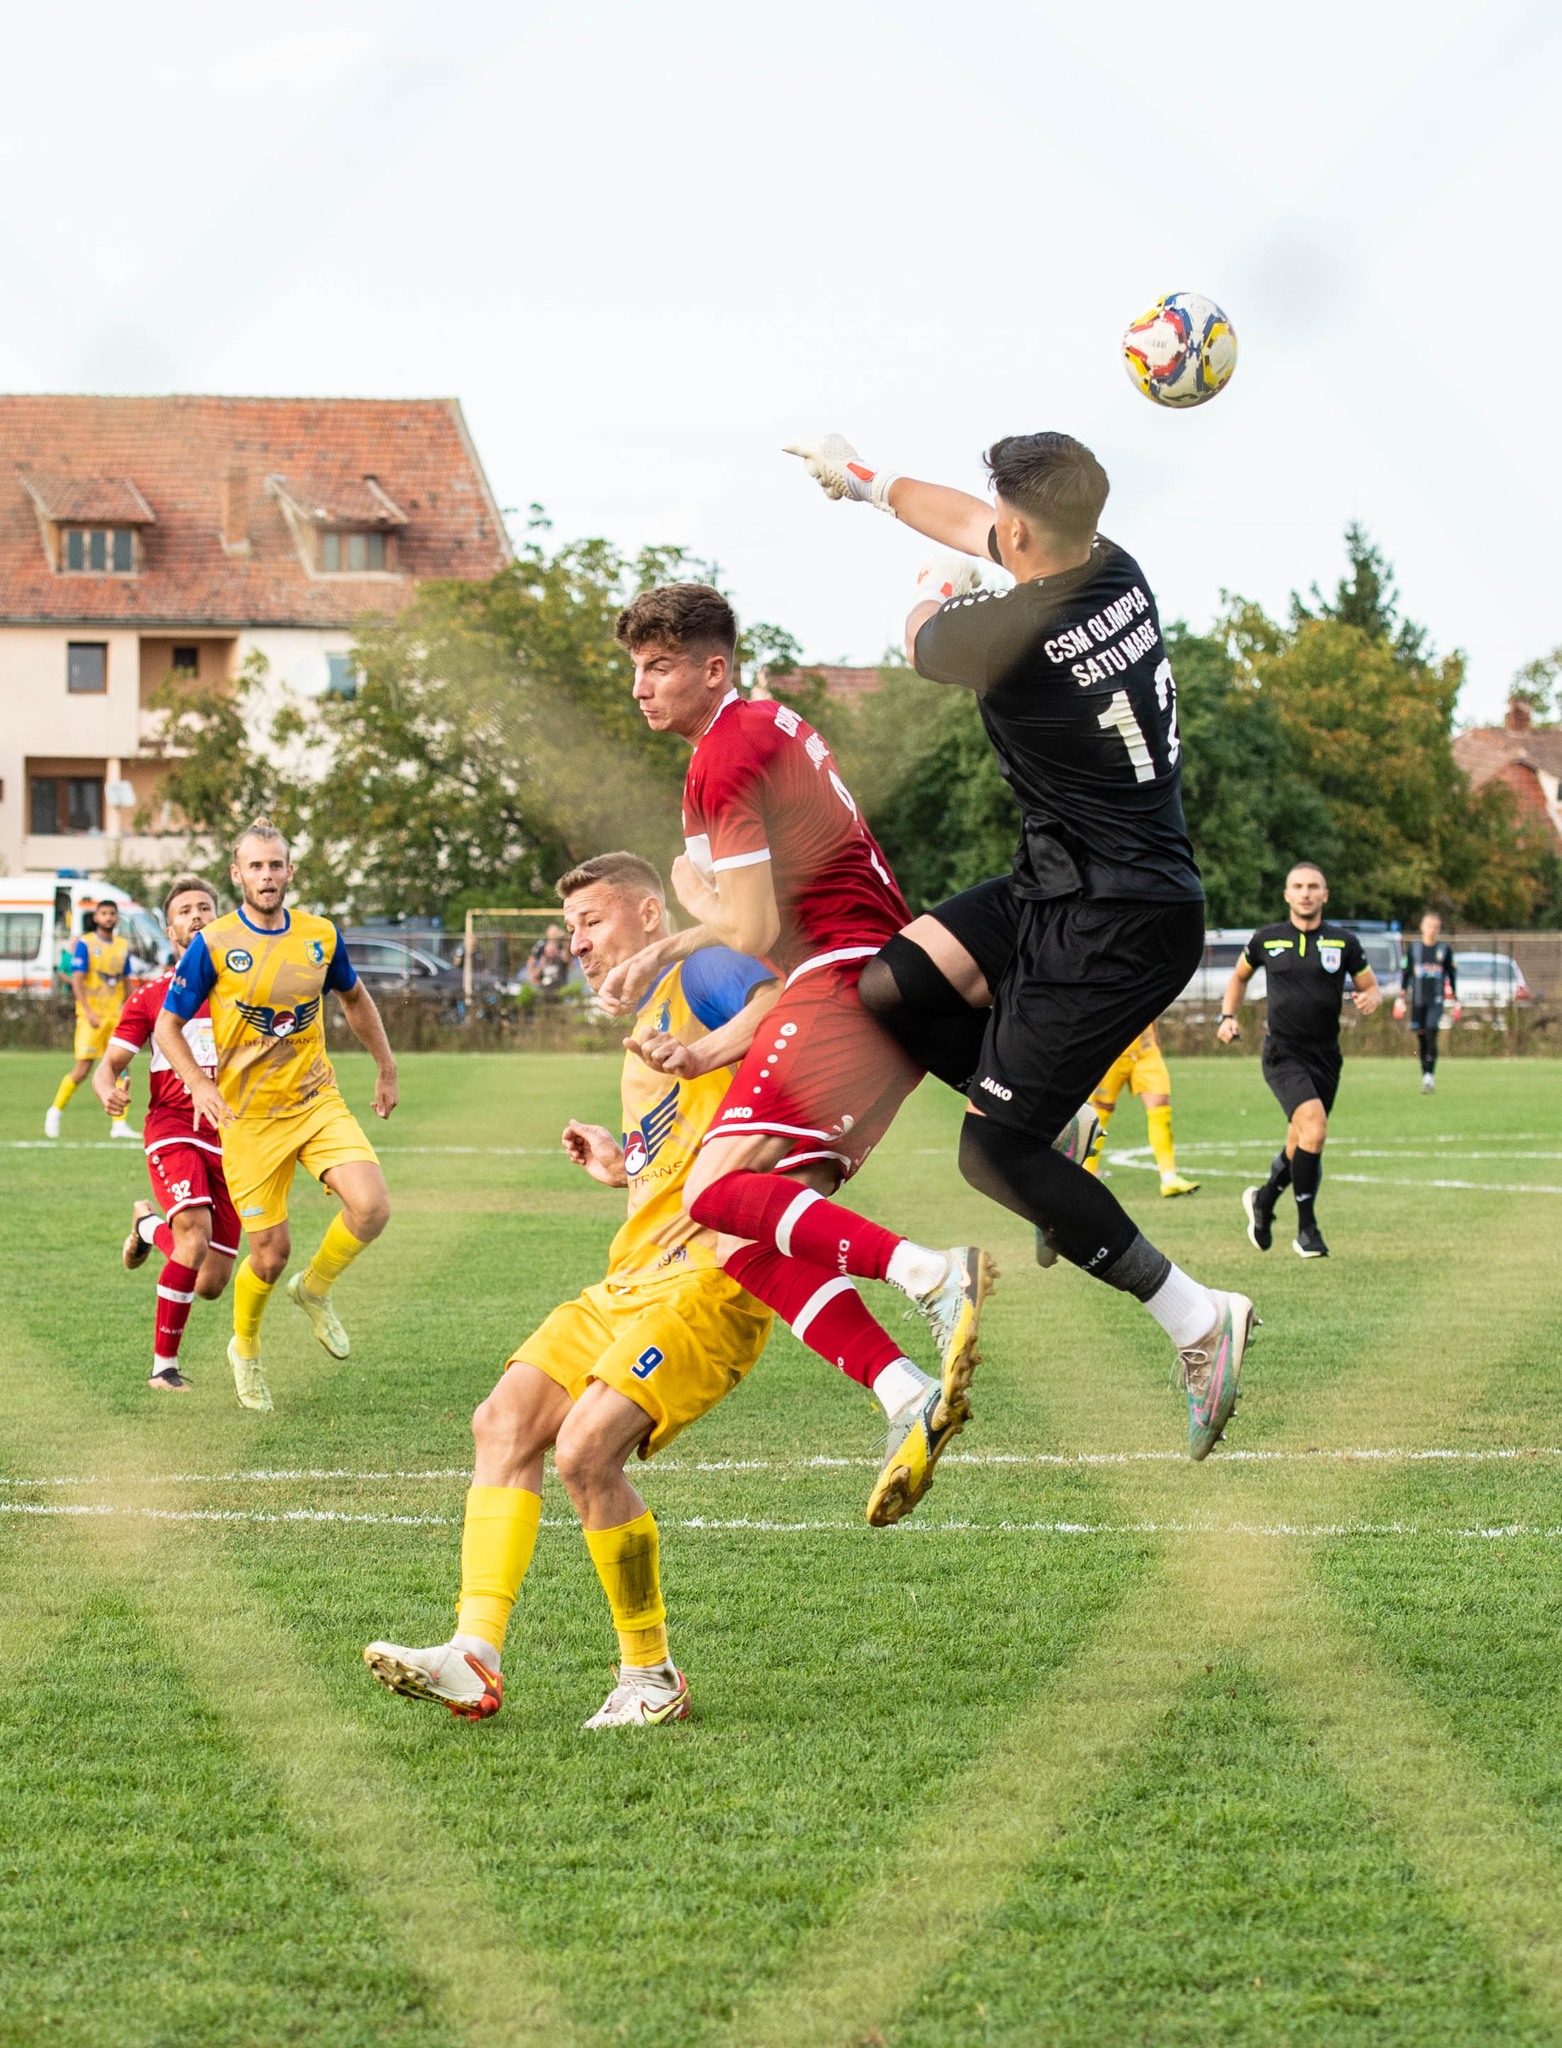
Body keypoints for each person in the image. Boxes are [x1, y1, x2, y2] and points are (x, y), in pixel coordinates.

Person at [784, 430, 1253, 1459]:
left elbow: (922, 631)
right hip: (1061, 879)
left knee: (992, 1152)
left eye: (1002, 519)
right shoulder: (1111, 566)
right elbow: (968, 521)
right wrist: (864, 481)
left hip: (1121, 918)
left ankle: (1195, 1316)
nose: (988, 524)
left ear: (1024, 534)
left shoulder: (1014, 630)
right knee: (895, 984)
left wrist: (930, 583)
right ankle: (1063, 1127)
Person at [601, 584, 995, 1530]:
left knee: (707, 1192)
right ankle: (904, 1392)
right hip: (857, 993)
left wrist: (673, 930)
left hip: (844, 982)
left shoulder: (726, 751)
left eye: (659, 667)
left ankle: (933, 1275)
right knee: (744, 1237)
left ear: (713, 669)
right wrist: (701, 1050)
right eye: (636, 670)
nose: (641, 688)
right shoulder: (758, 731)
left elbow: (749, 928)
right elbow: (766, 936)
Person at [365, 852, 778, 1727]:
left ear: (650, 915)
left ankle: (651, 1677)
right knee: (503, 1420)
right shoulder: (648, 1015)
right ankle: (473, 1655)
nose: (578, 943)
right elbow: (690, 1139)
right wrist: (623, 1164)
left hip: (711, 1279)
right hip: (632, 1275)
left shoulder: (702, 969)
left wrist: (705, 1048)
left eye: (592, 922)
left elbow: (782, 1008)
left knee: (586, 1451)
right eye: (571, 929)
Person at [153, 819, 398, 1413]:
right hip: (249, 1120)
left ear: (290, 871)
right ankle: (245, 1347)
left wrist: (386, 1067)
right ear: (237, 874)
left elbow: (355, 998)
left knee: (372, 1206)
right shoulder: (213, 943)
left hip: (316, 1101)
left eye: (275, 865)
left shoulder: (320, 935)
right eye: (255, 866)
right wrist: (199, 1086)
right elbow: (167, 1026)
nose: (266, 876)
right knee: (269, 1254)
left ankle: (315, 1289)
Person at [95, 876, 240, 1391]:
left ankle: (146, 1226)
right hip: (173, 1127)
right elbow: (108, 1066)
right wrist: (108, 1091)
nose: (196, 916)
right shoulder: (153, 996)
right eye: (184, 910)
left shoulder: (243, 993)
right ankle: (164, 1369)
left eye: (205, 908)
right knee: (194, 1237)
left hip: (232, 1137)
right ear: (171, 928)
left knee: (210, 1283)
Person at [1217, 862, 1381, 1259]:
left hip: (1326, 1056)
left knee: (1302, 1141)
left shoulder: (1343, 942)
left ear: (1325, 895)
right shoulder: (1267, 939)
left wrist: (1372, 998)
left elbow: (1370, 986)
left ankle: (1263, 1200)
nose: (1305, 893)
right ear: (1287, 895)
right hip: (1282, 1053)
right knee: (1316, 1130)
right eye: (1298, 886)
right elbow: (1239, 977)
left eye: (1313, 886)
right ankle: (1307, 1230)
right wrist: (1227, 1016)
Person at [46, 898, 138, 1140]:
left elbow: (126, 982)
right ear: (96, 917)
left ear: (117, 918)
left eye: (112, 913)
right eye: (104, 913)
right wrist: (88, 1011)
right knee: (82, 1069)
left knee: (121, 1068)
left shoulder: (122, 946)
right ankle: (55, 1111)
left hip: (115, 1017)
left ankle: (119, 1124)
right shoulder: (86, 944)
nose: (108, 917)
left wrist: (131, 1010)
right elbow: (77, 980)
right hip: (92, 1018)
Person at [1086, 1020, 1198, 1197]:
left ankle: (1169, 1179)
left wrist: (1156, 1038)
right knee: (1101, 1109)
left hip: (1146, 1047)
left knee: (1160, 1103)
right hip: (1112, 1045)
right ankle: (1087, 1174)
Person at [1395, 912, 1458, 1092]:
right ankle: (1425, 1075)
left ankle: (1430, 1076)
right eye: (1429, 926)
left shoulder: (1444, 950)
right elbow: (1406, 973)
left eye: (1436, 927)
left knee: (1431, 1033)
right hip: (1418, 1000)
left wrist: (1455, 998)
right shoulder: (1414, 949)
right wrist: (1401, 996)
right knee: (1422, 1038)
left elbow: (1452, 974)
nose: (1432, 930)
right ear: (1422, 927)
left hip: (1436, 1000)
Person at [526, 923, 571, 994]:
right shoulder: (541, 945)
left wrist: (564, 937)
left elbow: (567, 960)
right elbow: (531, 961)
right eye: (552, 933)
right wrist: (533, 974)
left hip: (560, 982)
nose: (554, 935)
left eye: (555, 932)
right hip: (543, 982)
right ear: (547, 933)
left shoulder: (562, 946)